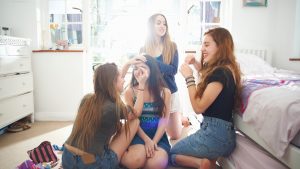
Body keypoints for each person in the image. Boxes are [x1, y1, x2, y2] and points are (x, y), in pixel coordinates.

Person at [170, 27, 242, 169]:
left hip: (214, 136)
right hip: (225, 135)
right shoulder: (227, 69)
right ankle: (209, 163)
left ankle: (201, 163)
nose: (202, 49)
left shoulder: (220, 73)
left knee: (172, 154)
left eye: (207, 45)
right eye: (202, 44)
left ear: (220, 46)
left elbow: (198, 107)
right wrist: (196, 63)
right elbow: (208, 77)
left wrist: (189, 77)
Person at [62, 63, 139, 169]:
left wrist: (129, 63)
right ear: (112, 82)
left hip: (67, 158)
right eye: (121, 77)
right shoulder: (114, 107)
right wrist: (143, 85)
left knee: (116, 128)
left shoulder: (87, 99)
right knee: (135, 121)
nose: (124, 80)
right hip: (88, 163)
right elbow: (136, 113)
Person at [121, 55, 171, 169]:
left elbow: (164, 120)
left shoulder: (165, 92)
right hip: (138, 134)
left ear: (151, 70)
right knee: (136, 160)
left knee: (157, 163)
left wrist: (153, 142)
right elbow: (132, 121)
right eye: (135, 68)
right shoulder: (130, 92)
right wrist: (146, 140)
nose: (139, 71)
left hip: (158, 135)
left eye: (142, 67)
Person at [140, 13, 184, 140]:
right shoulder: (143, 48)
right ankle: (171, 120)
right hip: (151, 94)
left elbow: (173, 70)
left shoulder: (172, 46)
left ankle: (180, 117)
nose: (162, 26)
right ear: (151, 26)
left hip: (170, 91)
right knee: (153, 132)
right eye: (158, 23)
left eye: (164, 23)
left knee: (175, 135)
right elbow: (142, 72)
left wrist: (152, 62)